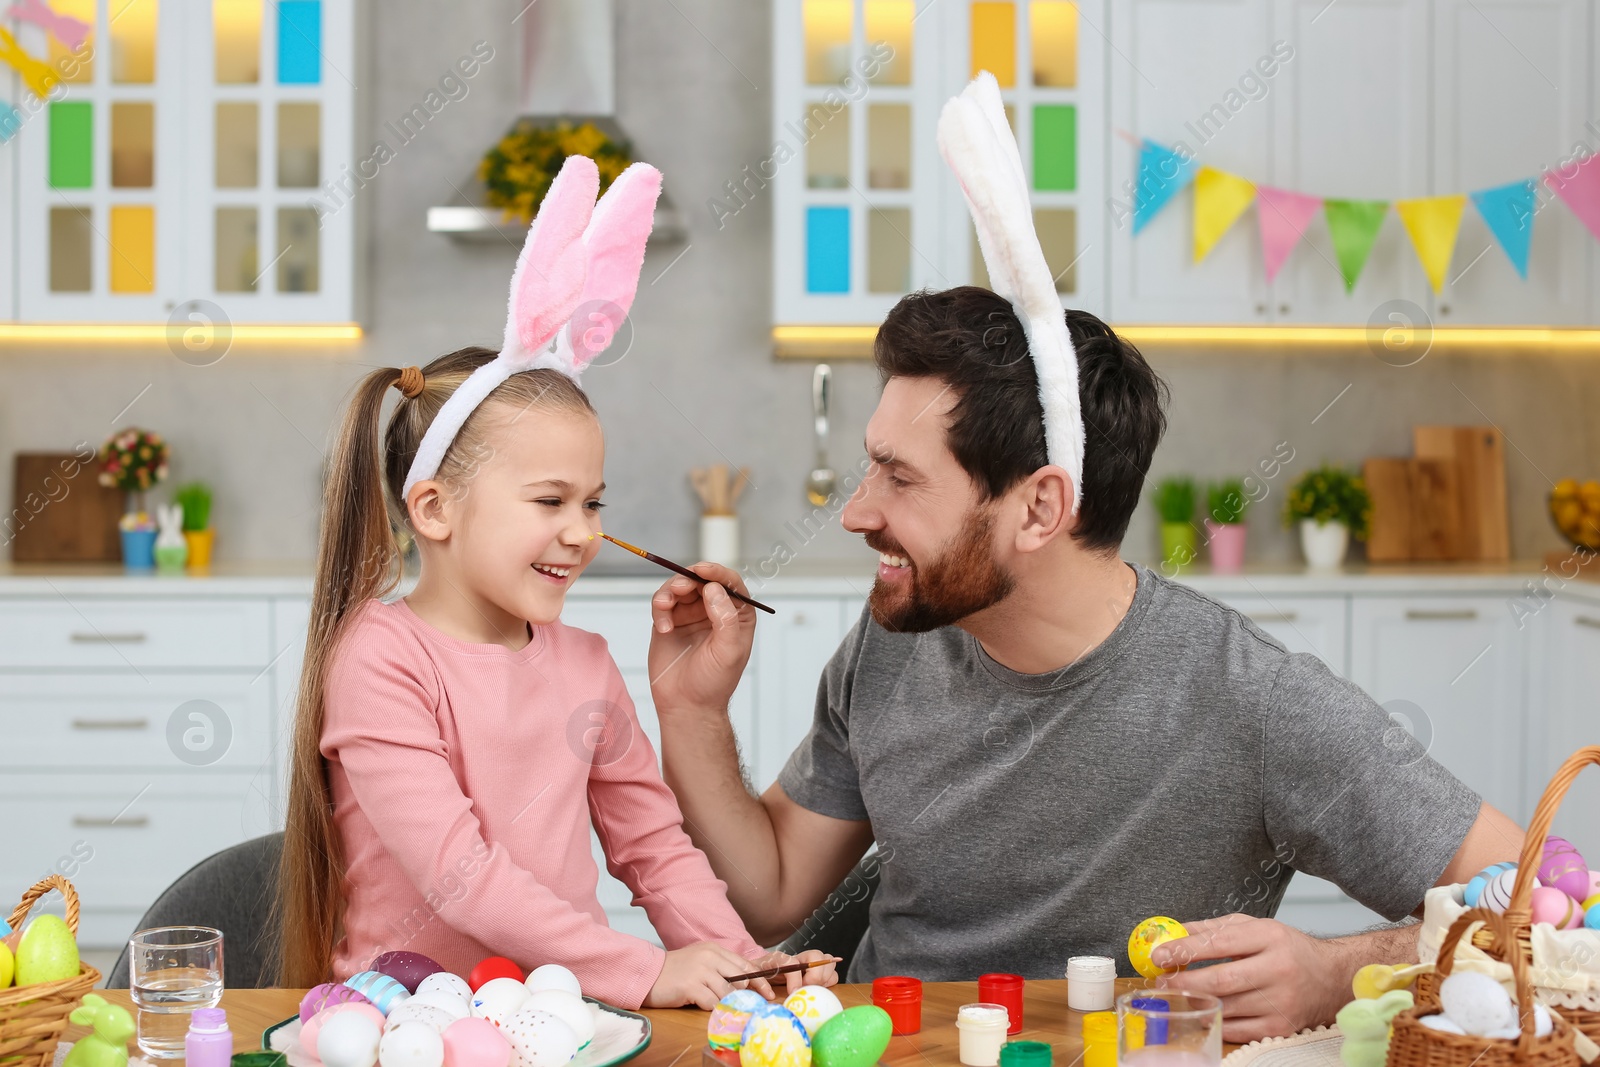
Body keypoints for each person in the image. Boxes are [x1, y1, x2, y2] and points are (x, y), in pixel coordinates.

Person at [642, 76, 1521, 1041]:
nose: (857, 512)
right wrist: (691, 710)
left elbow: (1543, 905)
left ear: (1040, 507)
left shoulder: (1257, 703)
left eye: (900, 478)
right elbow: (771, 893)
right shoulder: (895, 639)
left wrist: (1338, 970)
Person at [274, 156, 833, 1009]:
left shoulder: (587, 664)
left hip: (556, 1021)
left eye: (593, 501)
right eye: (549, 500)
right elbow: (461, 875)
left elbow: (655, 849)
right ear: (433, 509)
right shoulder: (380, 659)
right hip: (404, 1023)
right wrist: (646, 969)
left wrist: (741, 961)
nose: (585, 531)